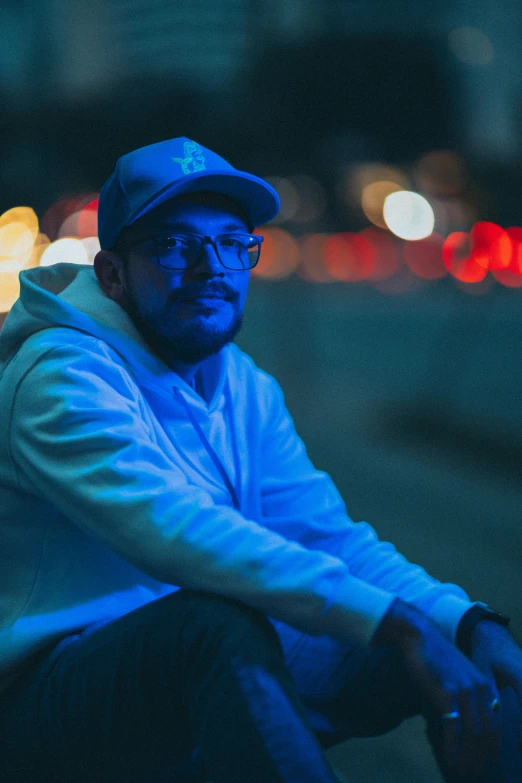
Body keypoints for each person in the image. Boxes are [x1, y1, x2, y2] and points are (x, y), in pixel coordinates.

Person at [0, 137, 520, 783]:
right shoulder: (59, 376)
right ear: (112, 274)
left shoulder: (241, 383)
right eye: (173, 244)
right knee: (215, 624)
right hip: (51, 705)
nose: (210, 266)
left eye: (230, 243)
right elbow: (175, 530)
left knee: (476, 655)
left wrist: (461, 620)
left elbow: (330, 538)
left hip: (195, 663)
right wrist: (393, 625)